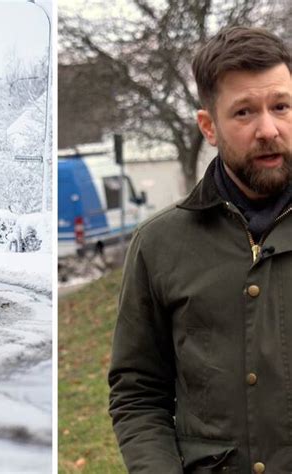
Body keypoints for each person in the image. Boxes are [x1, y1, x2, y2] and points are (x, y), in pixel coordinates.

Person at [108, 26, 292, 473]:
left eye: (281, 107)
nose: (268, 129)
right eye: (244, 112)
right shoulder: (160, 244)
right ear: (209, 126)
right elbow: (138, 391)